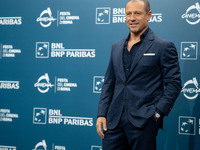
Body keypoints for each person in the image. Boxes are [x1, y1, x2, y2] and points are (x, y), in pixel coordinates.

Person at [96, 0, 182, 150]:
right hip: (113, 122)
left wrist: (157, 114)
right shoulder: (116, 47)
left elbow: (174, 84)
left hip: (144, 122)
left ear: (148, 15)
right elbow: (109, 83)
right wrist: (102, 114)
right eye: (128, 14)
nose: (132, 18)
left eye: (137, 13)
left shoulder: (163, 46)